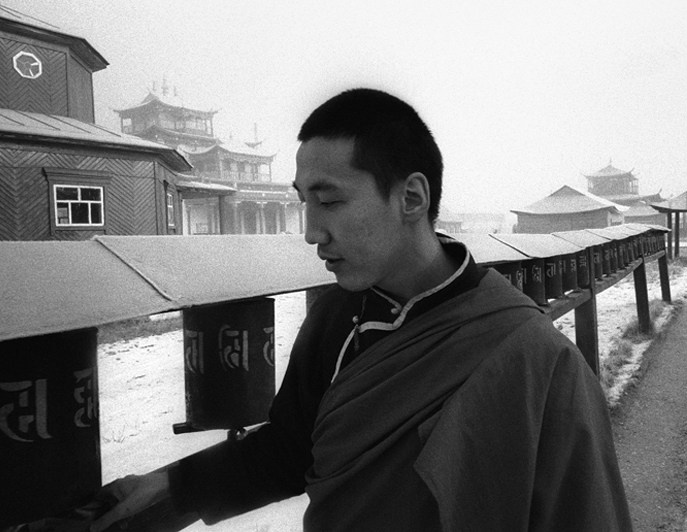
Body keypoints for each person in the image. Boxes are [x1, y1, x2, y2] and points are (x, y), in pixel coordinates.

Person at [91, 88, 632, 531]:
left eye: (329, 201)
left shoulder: (536, 357)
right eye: (304, 201)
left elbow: (583, 512)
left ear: (412, 198)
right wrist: (175, 485)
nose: (311, 231)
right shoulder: (334, 317)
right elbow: (293, 448)